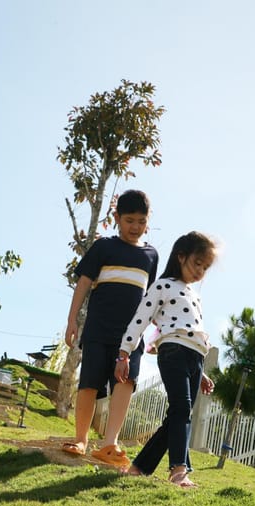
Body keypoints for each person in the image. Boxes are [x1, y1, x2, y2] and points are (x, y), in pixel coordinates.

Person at [62, 189, 159, 467]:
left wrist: (155, 334)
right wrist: (72, 321)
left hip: (132, 336)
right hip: (98, 329)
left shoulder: (151, 255)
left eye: (141, 221)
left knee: (125, 382)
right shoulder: (103, 248)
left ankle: (109, 443)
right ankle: (81, 439)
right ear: (116, 218)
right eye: (129, 220)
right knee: (90, 382)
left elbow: (150, 298)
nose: (135, 227)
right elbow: (82, 284)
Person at [114, 231, 217, 487]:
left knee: (177, 416)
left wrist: (202, 373)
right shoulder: (162, 286)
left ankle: (139, 468)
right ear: (181, 256)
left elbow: (193, 330)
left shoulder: (194, 295)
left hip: (195, 356)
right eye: (197, 263)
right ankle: (179, 470)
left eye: (205, 267)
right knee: (182, 410)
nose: (200, 271)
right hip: (173, 352)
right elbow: (140, 320)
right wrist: (124, 353)